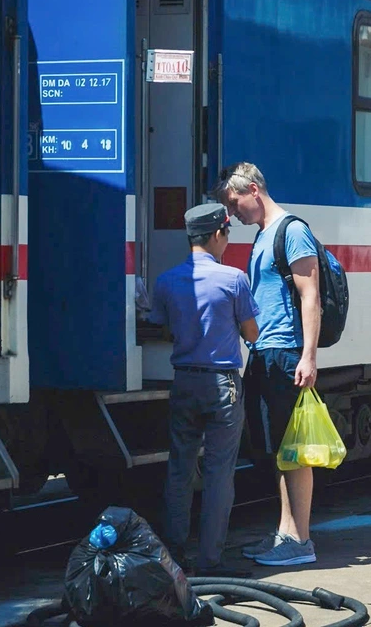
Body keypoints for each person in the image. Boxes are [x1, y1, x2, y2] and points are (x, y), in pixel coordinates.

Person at [215, 162, 322, 567]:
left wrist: (308, 356)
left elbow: (310, 295)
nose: (232, 213)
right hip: (264, 351)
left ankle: (302, 540)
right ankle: (285, 533)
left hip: (286, 352)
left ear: (254, 191)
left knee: (293, 449)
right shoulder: (264, 234)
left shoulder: (292, 231)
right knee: (276, 450)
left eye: (234, 202)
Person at [149, 203, 260, 578]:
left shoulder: (166, 281)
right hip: (222, 384)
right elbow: (251, 333)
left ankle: (173, 555)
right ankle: (210, 560)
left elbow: (163, 327)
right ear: (217, 234)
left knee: (179, 469)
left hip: (184, 380)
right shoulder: (234, 279)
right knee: (218, 473)